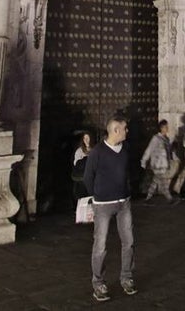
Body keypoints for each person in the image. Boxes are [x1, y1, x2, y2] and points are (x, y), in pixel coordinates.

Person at [83, 116, 137, 302]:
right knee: (100, 245)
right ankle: (98, 283)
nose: (127, 131)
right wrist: (97, 195)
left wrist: (127, 190)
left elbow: (128, 172)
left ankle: (127, 278)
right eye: (125, 128)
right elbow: (88, 177)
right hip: (103, 205)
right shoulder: (97, 152)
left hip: (124, 202)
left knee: (128, 242)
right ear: (115, 130)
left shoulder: (125, 150)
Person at [139, 118, 177, 204]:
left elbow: (168, 151)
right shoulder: (156, 138)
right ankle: (170, 198)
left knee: (155, 181)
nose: (167, 128)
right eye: (165, 127)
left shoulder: (166, 139)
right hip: (157, 163)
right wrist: (144, 160)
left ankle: (148, 198)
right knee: (163, 182)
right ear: (161, 128)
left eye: (167, 126)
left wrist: (172, 158)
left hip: (163, 163)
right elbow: (149, 149)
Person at [72, 131, 93, 200]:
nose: (86, 140)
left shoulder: (95, 150)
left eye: (87, 138)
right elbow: (76, 164)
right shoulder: (79, 151)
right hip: (82, 180)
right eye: (84, 138)